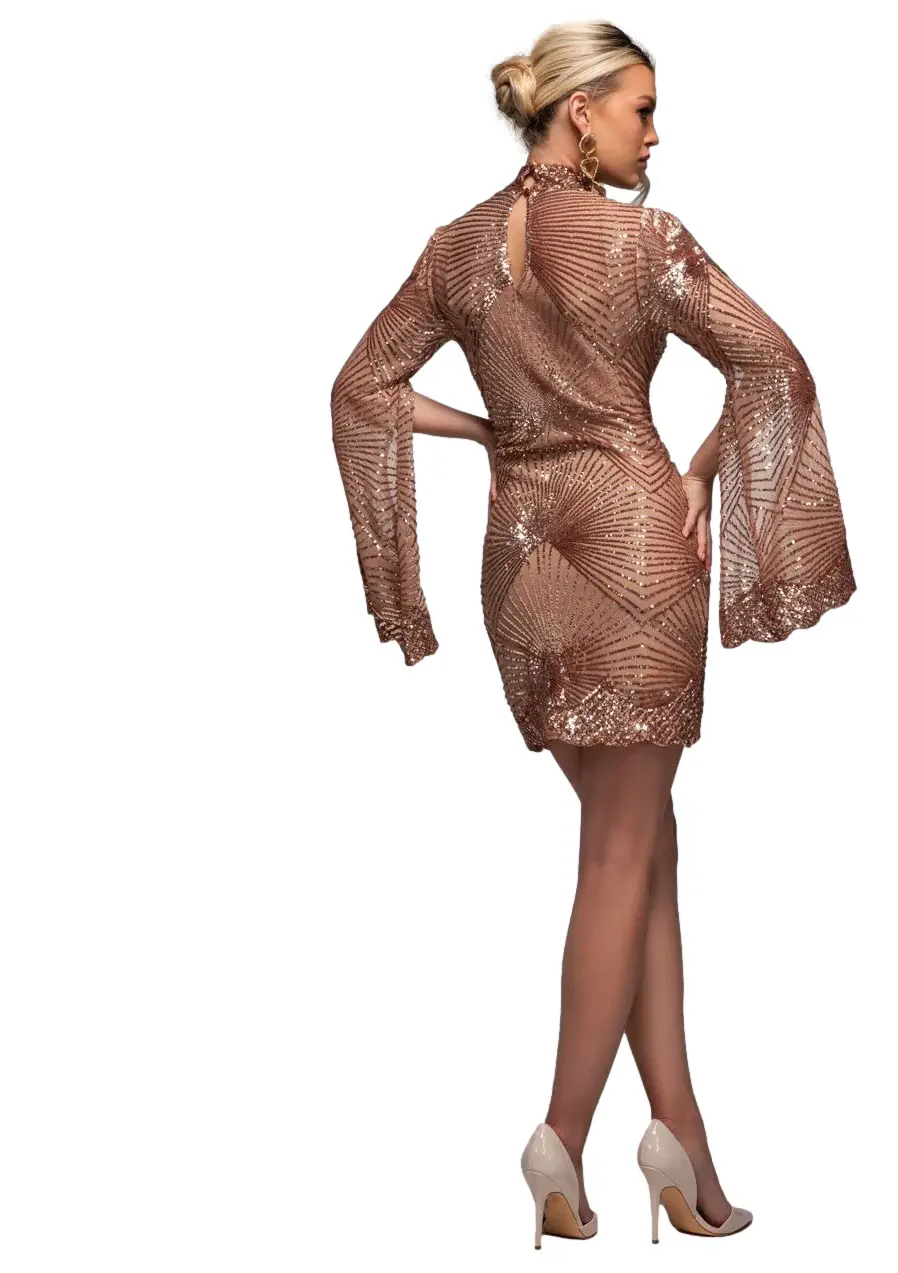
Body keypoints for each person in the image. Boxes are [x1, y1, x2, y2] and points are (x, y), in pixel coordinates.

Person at [330, 20, 856, 1247]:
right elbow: (776, 367)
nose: (654, 135)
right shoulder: (639, 241)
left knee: (643, 842)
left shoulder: (455, 249)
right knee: (621, 851)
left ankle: (681, 1135)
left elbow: (360, 388)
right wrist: (702, 471)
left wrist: (487, 432)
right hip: (630, 548)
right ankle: (560, 1134)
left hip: (518, 565)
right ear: (580, 113)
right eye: (641, 109)